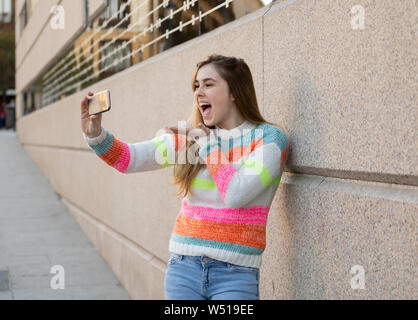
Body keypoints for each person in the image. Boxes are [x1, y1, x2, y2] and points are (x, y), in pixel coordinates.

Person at [80, 54, 289, 300]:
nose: (199, 92)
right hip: (183, 269)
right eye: (196, 86)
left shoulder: (269, 139)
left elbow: (235, 194)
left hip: (236, 274)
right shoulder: (192, 138)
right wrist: (95, 136)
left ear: (235, 91)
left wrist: (207, 143)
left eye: (209, 84)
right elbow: (129, 159)